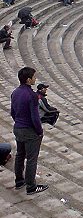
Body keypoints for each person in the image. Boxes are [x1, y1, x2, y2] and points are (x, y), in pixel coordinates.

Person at [11, 67, 49, 195]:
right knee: (32, 158)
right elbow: (35, 117)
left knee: (20, 155)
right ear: (28, 80)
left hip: (18, 128)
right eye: (34, 77)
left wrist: (19, 122)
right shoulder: (32, 96)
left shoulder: (15, 93)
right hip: (29, 130)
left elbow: (13, 112)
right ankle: (31, 186)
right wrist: (39, 131)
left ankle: (19, 181)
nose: (35, 79)